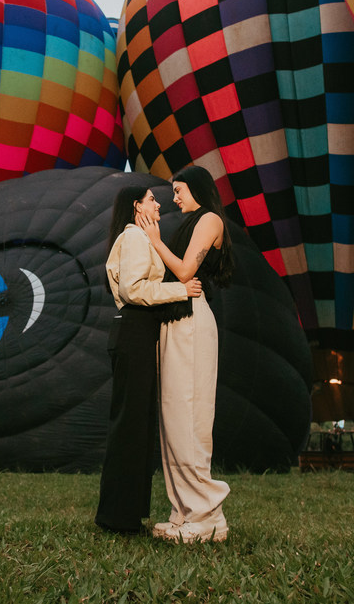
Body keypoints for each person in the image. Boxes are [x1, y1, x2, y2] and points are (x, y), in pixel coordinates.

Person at [95, 186, 202, 535]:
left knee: (138, 425)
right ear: (136, 207)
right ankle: (117, 518)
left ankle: (126, 514)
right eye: (151, 199)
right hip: (135, 332)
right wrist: (180, 290)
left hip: (139, 333)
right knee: (130, 425)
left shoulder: (139, 239)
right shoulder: (134, 238)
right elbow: (133, 289)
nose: (159, 203)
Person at [140, 165, 235, 543]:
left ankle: (209, 515)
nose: (174, 198)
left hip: (193, 319)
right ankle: (183, 512)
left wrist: (154, 239)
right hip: (174, 317)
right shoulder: (190, 222)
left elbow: (184, 272)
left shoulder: (210, 219)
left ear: (197, 188)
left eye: (178, 190)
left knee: (190, 412)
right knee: (173, 416)